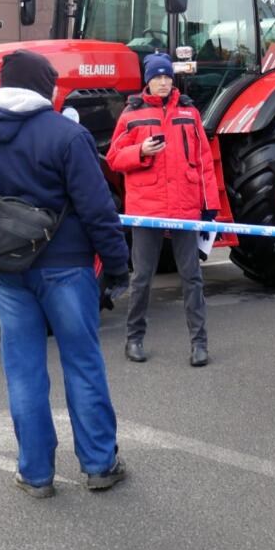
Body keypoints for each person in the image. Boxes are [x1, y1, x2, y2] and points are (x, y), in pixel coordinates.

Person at [0, 50, 130, 497]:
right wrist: (116, 266)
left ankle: (35, 474)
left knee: (23, 372)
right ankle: (98, 464)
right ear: (42, 88)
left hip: (7, 273)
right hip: (67, 270)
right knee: (83, 365)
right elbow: (99, 209)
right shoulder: (68, 137)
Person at [108, 53, 219, 367]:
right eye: (157, 76)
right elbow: (114, 157)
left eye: (167, 76)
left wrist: (210, 205)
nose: (163, 81)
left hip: (184, 207)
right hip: (146, 208)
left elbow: (204, 161)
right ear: (148, 79)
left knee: (192, 278)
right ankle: (134, 339)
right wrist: (140, 151)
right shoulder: (131, 115)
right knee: (142, 277)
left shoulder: (189, 111)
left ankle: (200, 345)